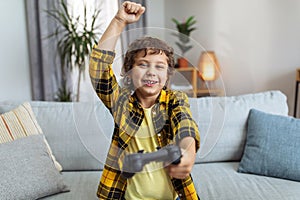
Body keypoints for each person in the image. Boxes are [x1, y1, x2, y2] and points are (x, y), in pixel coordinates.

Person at [89, 1, 200, 199]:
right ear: (130, 73)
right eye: (143, 64)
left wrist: (188, 152)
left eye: (159, 66)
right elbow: (98, 69)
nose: (151, 72)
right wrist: (119, 20)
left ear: (167, 74)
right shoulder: (121, 102)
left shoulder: (175, 100)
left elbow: (185, 125)